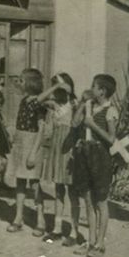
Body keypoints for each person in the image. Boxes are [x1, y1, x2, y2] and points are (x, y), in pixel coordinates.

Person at [72, 74, 118, 257]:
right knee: (88, 200)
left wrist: (93, 125)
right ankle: (90, 241)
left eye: (94, 86)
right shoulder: (89, 107)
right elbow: (75, 123)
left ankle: (100, 243)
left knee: (100, 201)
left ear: (102, 91)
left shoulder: (110, 111)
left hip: (100, 156)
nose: (91, 88)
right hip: (85, 154)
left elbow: (111, 139)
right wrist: (83, 104)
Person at [37, 73, 83, 247]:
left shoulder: (74, 104)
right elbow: (39, 100)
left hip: (69, 148)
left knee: (72, 191)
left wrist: (67, 88)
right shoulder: (54, 104)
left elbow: (79, 125)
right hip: (57, 147)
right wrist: (55, 86)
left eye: (61, 86)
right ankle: (57, 228)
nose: (59, 91)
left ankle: (74, 230)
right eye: (56, 87)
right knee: (58, 189)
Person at [5, 68, 47, 235]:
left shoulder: (39, 103)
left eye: (22, 81)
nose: (19, 83)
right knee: (20, 182)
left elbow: (41, 129)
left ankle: (41, 219)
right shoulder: (24, 101)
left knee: (35, 184)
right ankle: (18, 217)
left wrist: (32, 153)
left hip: (32, 144)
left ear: (30, 84)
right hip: (21, 143)